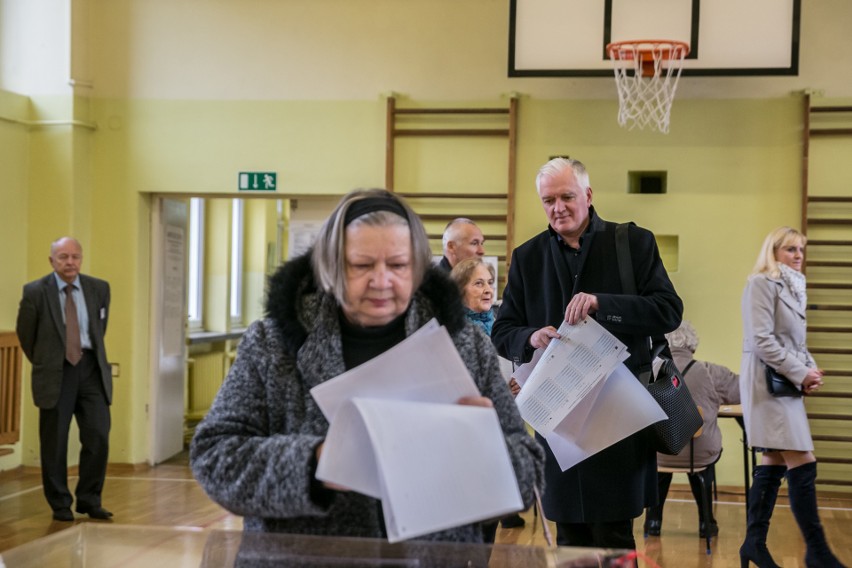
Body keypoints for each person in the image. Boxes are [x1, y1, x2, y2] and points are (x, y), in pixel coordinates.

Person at [190, 188, 544, 542]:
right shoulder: (271, 345)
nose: (381, 280)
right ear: (330, 267)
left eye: (398, 265)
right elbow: (214, 456)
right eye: (361, 265)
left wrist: (482, 448)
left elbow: (528, 474)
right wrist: (316, 462)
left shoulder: (466, 347)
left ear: (418, 269)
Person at [491, 157, 683, 550]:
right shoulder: (528, 258)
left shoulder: (633, 242)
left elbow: (669, 310)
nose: (557, 207)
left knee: (615, 539)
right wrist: (530, 338)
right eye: (548, 200)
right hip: (558, 419)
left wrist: (602, 303)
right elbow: (502, 331)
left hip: (619, 417)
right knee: (569, 540)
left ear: (588, 195)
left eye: (566, 196)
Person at [739, 227, 845, 568]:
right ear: (773, 251)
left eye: (801, 249)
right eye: (790, 249)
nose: (798, 255)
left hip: (783, 382)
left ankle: (753, 545)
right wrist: (801, 373)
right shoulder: (760, 283)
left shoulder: (793, 286)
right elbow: (762, 341)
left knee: (773, 461)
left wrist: (809, 371)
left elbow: (795, 345)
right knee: (803, 459)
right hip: (766, 384)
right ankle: (818, 552)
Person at [15, 237, 113, 522]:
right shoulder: (35, 291)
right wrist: (48, 361)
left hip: (91, 370)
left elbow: (99, 327)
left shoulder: (99, 288)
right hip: (57, 372)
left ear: (81, 258)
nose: (70, 262)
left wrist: (81, 353)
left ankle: (90, 500)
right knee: (55, 442)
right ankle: (60, 504)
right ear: (52, 261)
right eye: (63, 257)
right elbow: (26, 335)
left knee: (98, 436)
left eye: (75, 256)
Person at [642, 320, 740, 539]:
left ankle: (653, 522)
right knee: (702, 464)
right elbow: (741, 392)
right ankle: (707, 522)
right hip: (700, 454)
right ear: (692, 345)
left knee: (663, 453)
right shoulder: (710, 371)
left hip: (660, 456)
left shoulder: (650, 371)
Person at [450, 257, 526, 534]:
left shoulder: (499, 327)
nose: (487, 290)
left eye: (490, 283)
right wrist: (498, 393)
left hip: (498, 434)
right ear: (460, 289)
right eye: (478, 283)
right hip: (463, 441)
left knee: (489, 524)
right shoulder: (452, 331)